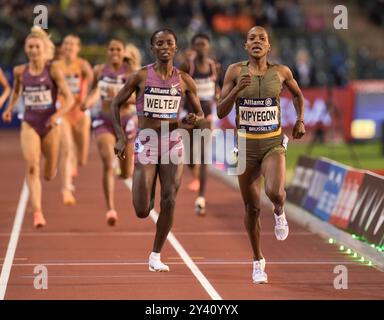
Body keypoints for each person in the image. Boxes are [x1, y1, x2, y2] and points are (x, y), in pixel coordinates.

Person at [217, 26, 305, 283]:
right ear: (246, 46)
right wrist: (235, 90)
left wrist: (300, 120)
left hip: (272, 144)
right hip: (244, 147)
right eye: (252, 39)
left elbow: (298, 95)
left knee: (275, 191)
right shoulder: (234, 71)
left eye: (262, 39)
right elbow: (222, 111)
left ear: (268, 46)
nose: (257, 42)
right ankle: (258, 261)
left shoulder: (281, 72)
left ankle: (279, 209)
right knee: (251, 208)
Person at [111, 29, 204, 272]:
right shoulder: (140, 77)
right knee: (143, 209)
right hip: (147, 141)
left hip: (173, 141)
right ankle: (148, 187)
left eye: (169, 43)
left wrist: (194, 118)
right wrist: (120, 137)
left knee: (170, 199)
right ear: (152, 49)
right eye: (159, 43)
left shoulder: (184, 80)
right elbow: (115, 103)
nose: (164, 47)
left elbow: (200, 114)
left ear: (176, 48)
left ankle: (155, 255)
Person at [2, 26, 74, 228]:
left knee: (49, 174)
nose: (34, 50)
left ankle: (52, 171)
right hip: (30, 123)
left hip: (50, 124)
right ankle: (38, 213)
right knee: (32, 166)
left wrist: (57, 116)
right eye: (30, 47)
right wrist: (9, 109)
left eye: (37, 47)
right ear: (26, 49)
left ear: (44, 49)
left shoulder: (53, 69)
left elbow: (68, 99)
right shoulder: (19, 71)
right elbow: (16, 92)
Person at [81, 38, 137, 226]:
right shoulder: (99, 70)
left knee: (127, 173)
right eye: (111, 49)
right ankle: (110, 209)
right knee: (107, 162)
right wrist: (87, 103)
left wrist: (120, 98)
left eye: (118, 49)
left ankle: (122, 167)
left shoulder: (131, 72)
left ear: (123, 52)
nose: (114, 52)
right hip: (104, 121)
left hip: (126, 121)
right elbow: (94, 91)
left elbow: (138, 98)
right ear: (107, 51)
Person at [179, 33, 220, 216]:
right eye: (197, 45)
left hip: (206, 117)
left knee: (204, 156)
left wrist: (217, 95)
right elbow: (178, 87)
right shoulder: (188, 66)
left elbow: (216, 86)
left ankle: (201, 196)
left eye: (204, 44)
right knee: (189, 157)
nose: (201, 47)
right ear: (193, 47)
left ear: (209, 46)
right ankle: (193, 173)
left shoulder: (213, 66)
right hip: (189, 116)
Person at [58, 34, 94, 205]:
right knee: (66, 148)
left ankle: (75, 161)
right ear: (62, 47)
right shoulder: (56, 66)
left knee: (82, 159)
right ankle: (66, 189)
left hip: (80, 113)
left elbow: (95, 86)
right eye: (66, 43)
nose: (69, 47)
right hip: (63, 112)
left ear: (78, 48)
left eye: (73, 44)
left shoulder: (83, 65)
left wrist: (88, 99)